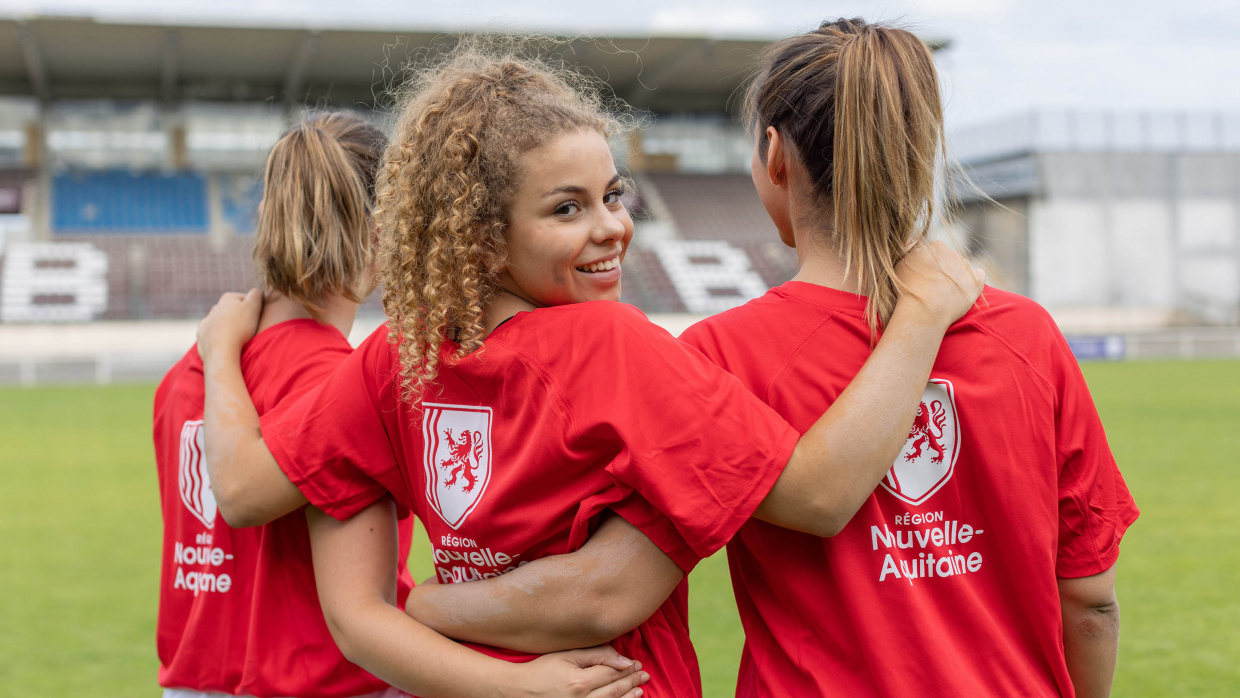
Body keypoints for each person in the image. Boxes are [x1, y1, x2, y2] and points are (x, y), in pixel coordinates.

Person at [195, 43, 984, 697]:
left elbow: (278, 531)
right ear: (479, 239)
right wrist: (919, 319)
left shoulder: (394, 358)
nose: (612, 228)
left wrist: (221, 356)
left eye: (614, 195)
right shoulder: (611, 344)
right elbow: (815, 496)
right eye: (566, 209)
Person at [681, 18, 1140, 697]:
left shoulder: (719, 355)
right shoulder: (1028, 336)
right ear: (916, 151)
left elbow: (631, 583)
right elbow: (1090, 601)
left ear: (774, 155)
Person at [154, 112, 423, 698]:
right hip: (317, 682)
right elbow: (364, 610)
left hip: (195, 679)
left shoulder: (188, 372)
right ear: (382, 232)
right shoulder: (335, 381)